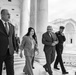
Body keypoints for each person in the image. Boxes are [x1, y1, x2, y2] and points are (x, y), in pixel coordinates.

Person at [0, 9, 17, 75]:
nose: (9, 15)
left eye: (9, 14)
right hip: (0, 51)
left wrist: (15, 48)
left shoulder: (12, 26)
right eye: (7, 14)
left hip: (10, 52)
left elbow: (13, 39)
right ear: (2, 15)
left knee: (10, 71)